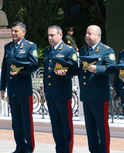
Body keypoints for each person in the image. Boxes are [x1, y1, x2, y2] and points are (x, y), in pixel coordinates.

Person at [0, 21, 38, 153]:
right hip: (12, 90)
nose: (13, 33)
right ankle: (19, 146)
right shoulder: (8, 46)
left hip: (24, 90)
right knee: (16, 122)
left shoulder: (30, 46)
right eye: (12, 31)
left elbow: (34, 65)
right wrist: (2, 87)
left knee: (26, 121)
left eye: (16, 31)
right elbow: (5, 67)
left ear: (24, 32)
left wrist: (20, 72)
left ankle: (29, 148)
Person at [78, 25, 116, 153]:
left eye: (90, 34)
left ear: (98, 36)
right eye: (86, 33)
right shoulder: (83, 51)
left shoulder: (106, 50)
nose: (87, 36)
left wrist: (98, 69)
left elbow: (112, 68)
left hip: (99, 96)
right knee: (91, 129)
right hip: (87, 95)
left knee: (102, 128)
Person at [43, 25, 78, 153]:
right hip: (51, 94)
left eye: (52, 35)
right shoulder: (47, 51)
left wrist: (67, 73)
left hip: (63, 94)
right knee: (56, 126)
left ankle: (67, 150)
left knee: (66, 125)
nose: (50, 38)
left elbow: (76, 69)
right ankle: (59, 149)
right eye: (48, 35)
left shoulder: (69, 50)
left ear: (60, 35)